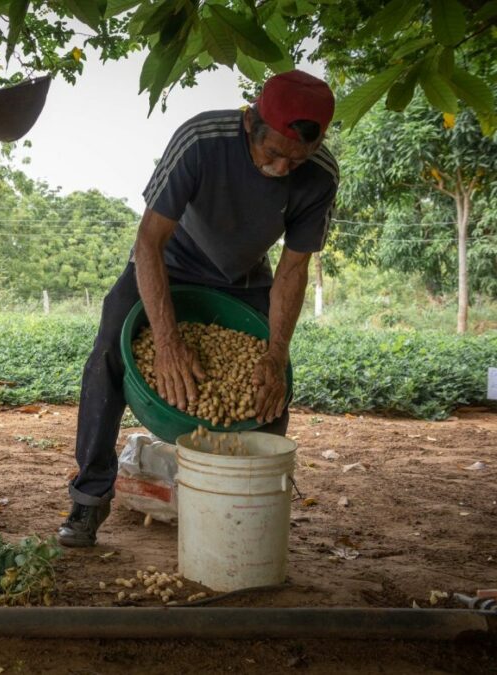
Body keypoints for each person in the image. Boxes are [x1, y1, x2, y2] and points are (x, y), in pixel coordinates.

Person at [58, 70, 338, 547]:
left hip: (246, 276)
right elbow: (148, 242)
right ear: (250, 122)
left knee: (269, 391)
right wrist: (167, 342)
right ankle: (89, 498)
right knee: (108, 352)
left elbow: (293, 271)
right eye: (272, 154)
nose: (281, 169)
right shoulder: (201, 140)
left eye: (297, 159)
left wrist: (274, 353)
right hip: (170, 261)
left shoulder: (320, 175)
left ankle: (243, 515)